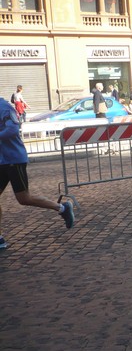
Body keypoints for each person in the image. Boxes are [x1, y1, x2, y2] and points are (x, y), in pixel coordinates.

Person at [0, 98, 75, 250]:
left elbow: (13, 129)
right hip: (1, 160)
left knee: (24, 198)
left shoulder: (4, 107)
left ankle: (62, 208)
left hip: (13, 159)